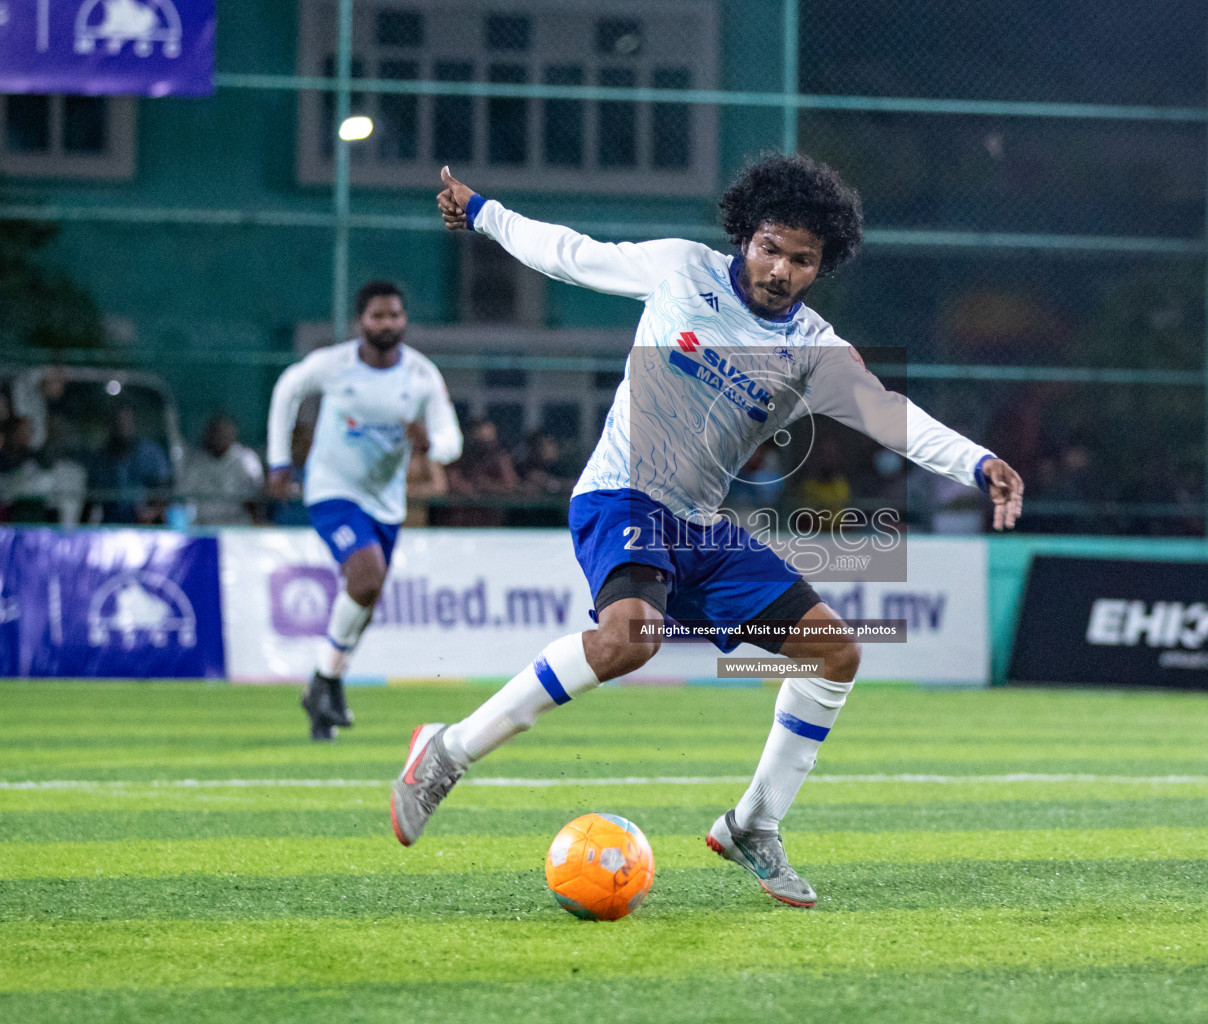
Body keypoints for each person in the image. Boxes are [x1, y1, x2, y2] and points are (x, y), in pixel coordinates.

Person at [388, 156, 1024, 909]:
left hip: (699, 524)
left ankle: (755, 823)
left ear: (822, 268)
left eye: (802, 259)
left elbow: (890, 417)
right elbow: (569, 254)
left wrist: (978, 462)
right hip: (622, 495)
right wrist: (486, 211)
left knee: (835, 651)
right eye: (770, 247)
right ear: (743, 236)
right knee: (631, 637)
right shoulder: (680, 272)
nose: (781, 269)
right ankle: (448, 751)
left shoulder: (815, 352)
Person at [267, 281, 463, 741]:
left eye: (395, 316)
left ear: (405, 319)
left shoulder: (420, 375)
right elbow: (286, 390)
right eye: (378, 316)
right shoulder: (334, 365)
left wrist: (430, 444)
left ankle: (323, 684)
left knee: (365, 598)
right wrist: (279, 460)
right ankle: (327, 682)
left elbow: (452, 441)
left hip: (385, 503)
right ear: (361, 321)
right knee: (367, 578)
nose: (387, 324)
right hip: (332, 490)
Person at [87, 407, 173, 524]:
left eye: (126, 422)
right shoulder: (100, 459)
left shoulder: (151, 454)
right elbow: (89, 501)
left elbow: (165, 491)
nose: (122, 427)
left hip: (144, 527)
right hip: (110, 528)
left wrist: (152, 512)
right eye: (118, 422)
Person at [179, 414, 265, 526]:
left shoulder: (246, 458)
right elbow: (183, 498)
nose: (220, 437)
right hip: (202, 527)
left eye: (225, 433)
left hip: (237, 526)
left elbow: (257, 494)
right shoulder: (196, 462)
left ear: (234, 434)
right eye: (217, 432)